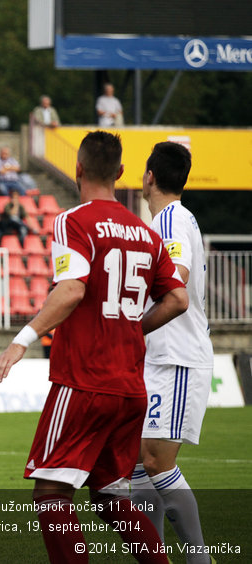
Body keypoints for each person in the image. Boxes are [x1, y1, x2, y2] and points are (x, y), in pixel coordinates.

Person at [0, 131, 189, 564]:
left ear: (78, 169)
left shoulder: (73, 221)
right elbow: (177, 299)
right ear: (120, 173)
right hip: (131, 387)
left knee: (51, 492)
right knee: (109, 495)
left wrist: (21, 341)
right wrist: (135, 328)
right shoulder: (146, 232)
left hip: (84, 381)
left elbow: (71, 290)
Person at [131, 141, 214, 561]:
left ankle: (199, 557)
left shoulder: (169, 221)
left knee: (156, 462)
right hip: (161, 356)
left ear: (149, 177)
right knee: (136, 464)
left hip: (177, 357)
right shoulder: (170, 220)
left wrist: (131, 327)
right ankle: (154, 555)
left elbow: (175, 284)